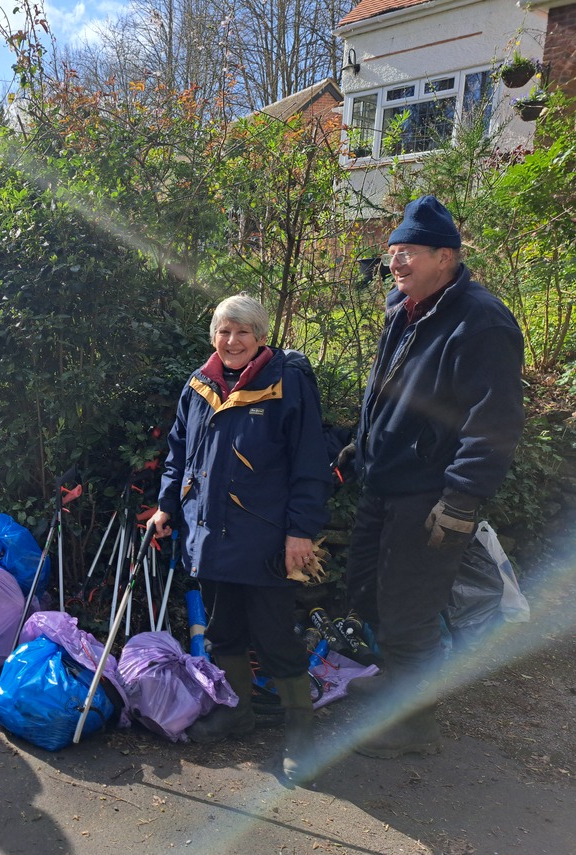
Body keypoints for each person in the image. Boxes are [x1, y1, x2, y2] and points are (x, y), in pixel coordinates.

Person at [342, 195, 524, 758]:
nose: (396, 262)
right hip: (384, 481)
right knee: (367, 588)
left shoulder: (481, 321)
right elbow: (390, 395)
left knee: (410, 607)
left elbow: (495, 418)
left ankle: (414, 724)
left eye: (410, 252)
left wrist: (462, 498)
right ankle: (397, 682)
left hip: (429, 494)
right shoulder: (405, 308)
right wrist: (360, 445)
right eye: (393, 251)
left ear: (446, 256)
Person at [149, 294, 331, 785]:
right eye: (224, 331)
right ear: (214, 336)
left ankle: (301, 735)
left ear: (261, 337)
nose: (232, 341)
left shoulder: (287, 384)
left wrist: (300, 532)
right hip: (208, 537)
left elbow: (310, 463)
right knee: (223, 630)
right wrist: (166, 506)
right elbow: (178, 453)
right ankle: (238, 713)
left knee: (275, 638)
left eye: (243, 332)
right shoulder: (199, 384)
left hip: (266, 540)